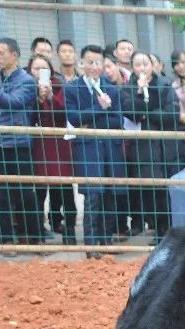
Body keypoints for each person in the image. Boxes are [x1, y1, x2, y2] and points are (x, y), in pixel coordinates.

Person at [0, 37, 44, 246]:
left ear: (15, 55)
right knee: (0, 195)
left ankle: (36, 237)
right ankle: (7, 239)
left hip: (18, 143)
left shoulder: (26, 81)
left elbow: (12, 103)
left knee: (25, 194)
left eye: (1, 52)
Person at [64, 45, 126, 257]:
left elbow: (118, 120)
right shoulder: (72, 89)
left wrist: (90, 120)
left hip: (110, 149)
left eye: (98, 62)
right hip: (88, 149)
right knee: (92, 196)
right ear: (81, 63)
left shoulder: (112, 88)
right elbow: (73, 118)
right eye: (89, 62)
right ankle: (90, 244)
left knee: (110, 195)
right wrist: (99, 108)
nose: (94, 66)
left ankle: (106, 240)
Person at [122, 50, 183, 243]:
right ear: (132, 68)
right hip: (143, 149)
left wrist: (148, 113)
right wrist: (140, 94)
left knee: (166, 190)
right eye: (138, 65)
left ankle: (169, 230)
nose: (142, 68)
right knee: (150, 191)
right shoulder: (127, 88)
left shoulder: (165, 85)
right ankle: (158, 230)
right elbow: (131, 112)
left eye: (145, 64)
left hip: (166, 148)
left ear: (153, 65)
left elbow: (172, 113)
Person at [28, 54, 76, 243]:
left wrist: (50, 97)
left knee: (66, 188)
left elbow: (66, 113)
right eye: (35, 69)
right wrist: (38, 100)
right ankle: (38, 230)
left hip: (59, 144)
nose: (39, 73)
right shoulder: (26, 88)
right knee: (39, 190)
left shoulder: (60, 86)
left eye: (43, 68)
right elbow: (28, 116)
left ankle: (70, 230)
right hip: (38, 144)